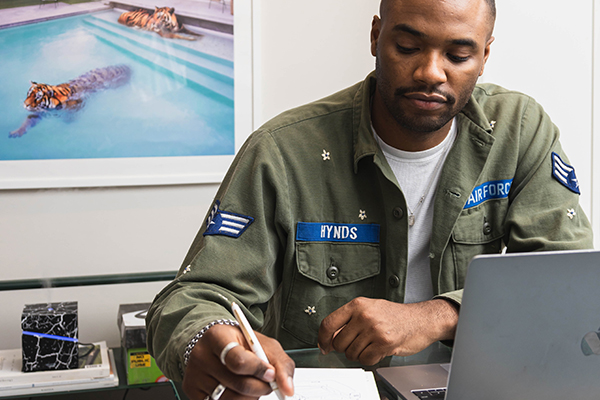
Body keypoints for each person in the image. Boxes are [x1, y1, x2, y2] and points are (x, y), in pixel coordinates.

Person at [146, 0, 593, 398]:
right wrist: (210, 336)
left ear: (485, 55)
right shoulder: (283, 152)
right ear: (376, 36)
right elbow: (193, 297)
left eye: (458, 55)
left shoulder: (519, 131)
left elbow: (569, 285)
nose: (431, 72)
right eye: (408, 47)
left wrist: (436, 315)